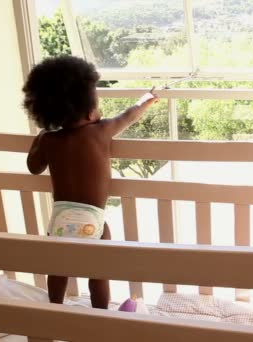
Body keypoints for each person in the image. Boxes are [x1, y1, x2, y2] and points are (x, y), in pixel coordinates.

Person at [23, 55, 159, 308]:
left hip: (60, 220)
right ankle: (99, 315)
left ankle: (54, 308)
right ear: (88, 110)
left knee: (58, 269)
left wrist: (41, 135)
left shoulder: (50, 141)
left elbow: (33, 166)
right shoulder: (102, 131)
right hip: (92, 220)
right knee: (98, 273)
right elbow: (129, 116)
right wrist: (146, 100)